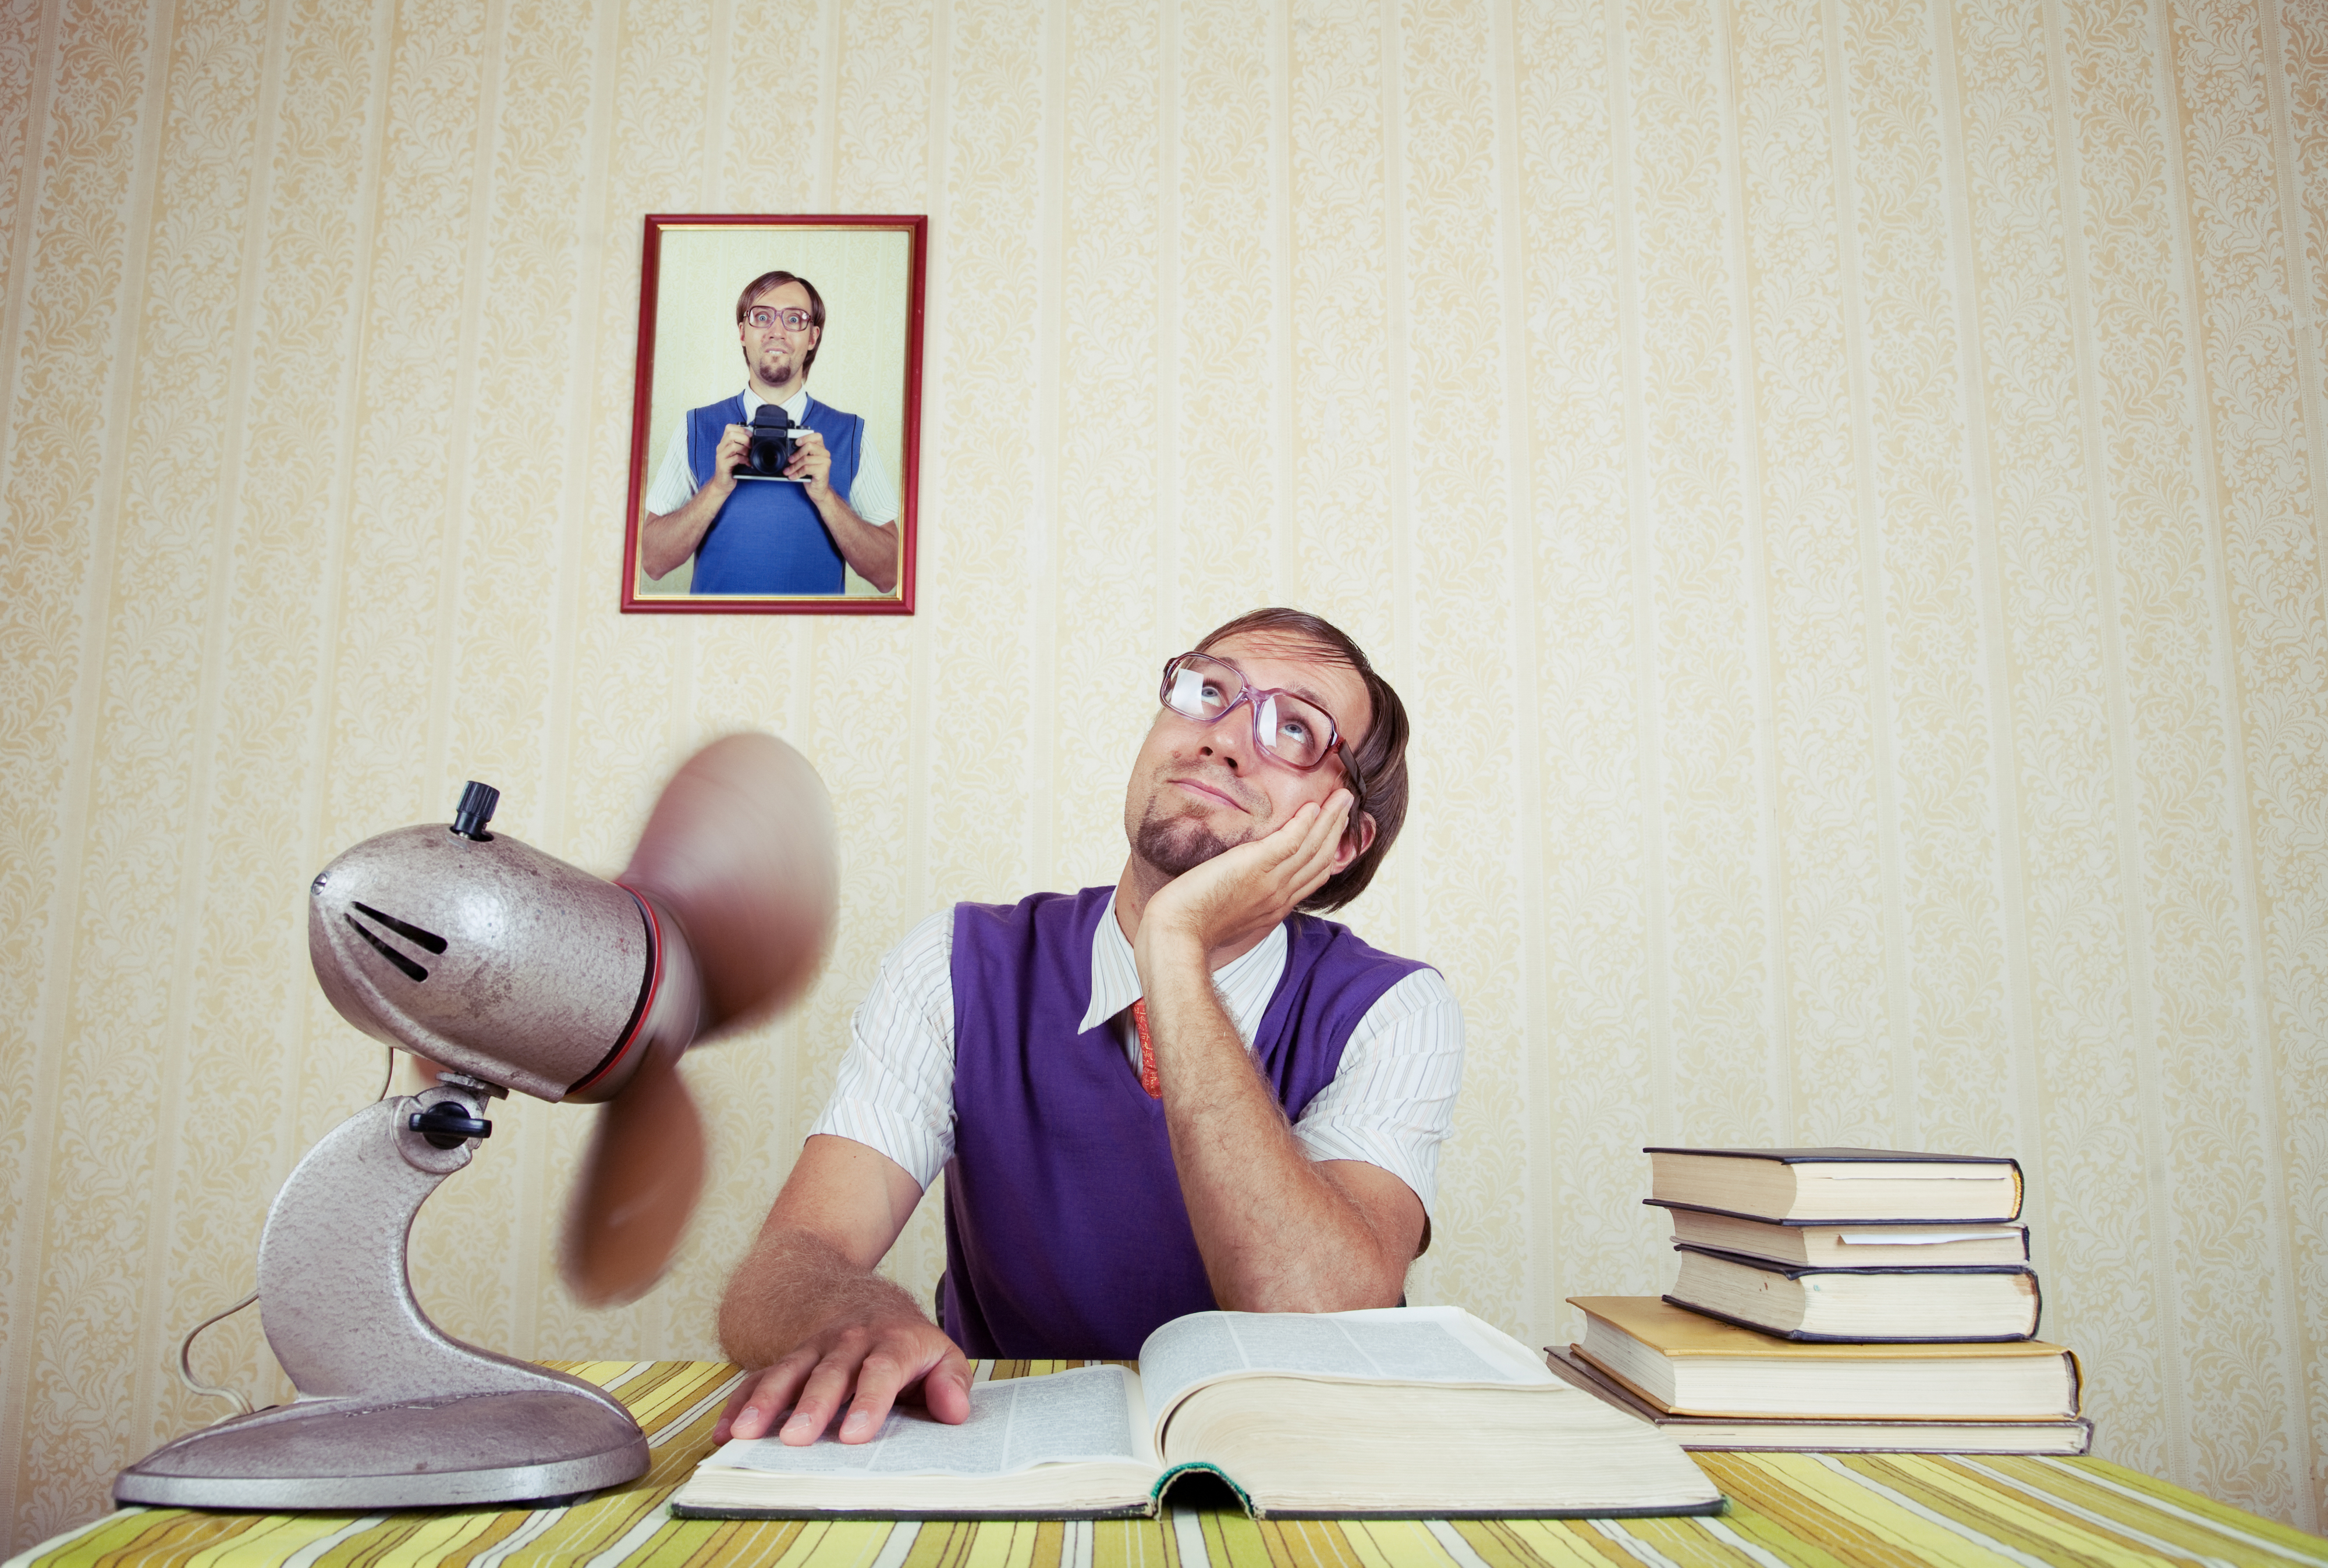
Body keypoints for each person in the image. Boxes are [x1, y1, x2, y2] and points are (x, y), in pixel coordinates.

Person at [714, 607, 1464, 1448]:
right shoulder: (955, 964)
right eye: (1208, 691)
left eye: (1295, 727)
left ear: (1342, 844)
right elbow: (782, 1268)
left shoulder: (1395, 1008)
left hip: (1297, 1461)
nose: (1222, 737)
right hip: (1009, 1454)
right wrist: (854, 1311)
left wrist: (1173, 949)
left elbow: (1310, 1313)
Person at [639, 269, 900, 595]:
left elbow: (890, 574)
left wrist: (826, 497)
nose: (777, 331)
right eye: (762, 317)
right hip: (713, 639)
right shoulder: (697, 428)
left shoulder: (851, 436)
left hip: (815, 641)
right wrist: (717, 488)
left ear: (813, 338)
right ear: (742, 332)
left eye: (794, 319)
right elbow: (652, 561)